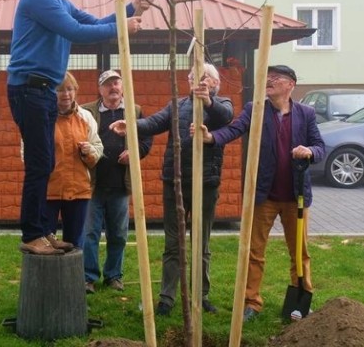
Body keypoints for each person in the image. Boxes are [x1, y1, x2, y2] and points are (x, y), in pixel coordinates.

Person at [6, 0, 146, 255]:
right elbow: (75, 31)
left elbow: (93, 23)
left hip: (40, 90)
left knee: (45, 161)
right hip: (29, 88)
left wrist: (132, 9)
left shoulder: (57, 0)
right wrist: (123, 27)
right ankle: (32, 234)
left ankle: (42, 232)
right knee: (40, 163)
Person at [196, 65, 325, 322]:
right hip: (264, 195)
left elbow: (320, 146)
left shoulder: (306, 113)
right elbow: (234, 129)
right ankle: (251, 302)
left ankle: (301, 300)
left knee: (300, 251)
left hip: (295, 195)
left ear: (290, 85)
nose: (269, 82)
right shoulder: (255, 110)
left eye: (275, 78)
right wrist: (211, 137)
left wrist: (309, 152)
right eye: (266, 78)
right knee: (254, 251)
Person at [110, 63, 234, 315]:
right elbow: (155, 122)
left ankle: (201, 296)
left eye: (201, 78)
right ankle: (167, 298)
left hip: (206, 183)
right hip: (174, 181)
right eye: (191, 77)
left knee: (201, 243)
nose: (194, 81)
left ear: (213, 82)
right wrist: (132, 125)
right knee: (172, 243)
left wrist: (208, 102)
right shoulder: (177, 105)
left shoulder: (223, 103)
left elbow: (224, 117)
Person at [82, 69, 153, 293]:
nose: (113, 88)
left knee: (118, 234)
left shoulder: (135, 110)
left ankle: (114, 276)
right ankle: (88, 277)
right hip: (92, 184)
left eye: (116, 83)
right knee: (90, 233)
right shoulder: (87, 112)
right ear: (100, 89)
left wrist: (134, 152)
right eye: (107, 84)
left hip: (121, 185)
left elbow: (146, 140)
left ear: (122, 87)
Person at [45, 71, 103, 250]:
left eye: (70, 89)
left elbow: (98, 148)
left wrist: (89, 151)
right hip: (48, 190)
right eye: (60, 90)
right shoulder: (43, 117)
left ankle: (74, 278)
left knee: (75, 244)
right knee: (46, 243)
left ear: (76, 91)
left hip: (78, 190)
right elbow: (27, 150)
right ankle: (48, 278)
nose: (66, 94)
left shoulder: (86, 117)